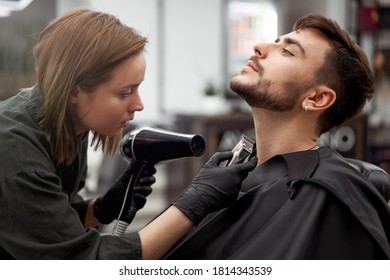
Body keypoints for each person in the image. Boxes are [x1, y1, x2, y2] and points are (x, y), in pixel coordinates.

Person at [0, 8, 257, 260]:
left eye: (138, 88)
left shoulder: (68, 125)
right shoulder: (18, 156)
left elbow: (46, 226)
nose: (139, 104)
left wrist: (100, 209)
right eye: (125, 92)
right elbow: (83, 262)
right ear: (74, 91)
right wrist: (193, 204)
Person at [163, 13, 390, 259]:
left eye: (287, 52)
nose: (259, 47)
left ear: (316, 98)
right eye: (276, 42)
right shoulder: (229, 180)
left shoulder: (329, 199)